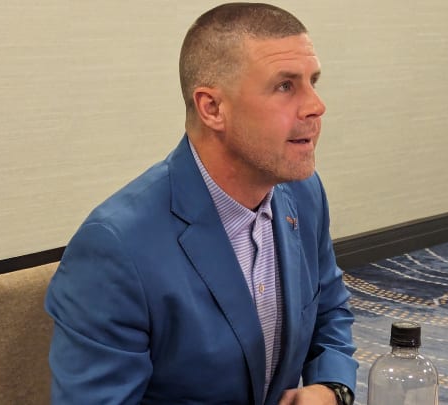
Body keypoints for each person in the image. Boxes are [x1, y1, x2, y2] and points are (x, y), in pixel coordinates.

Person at [45, 3, 358, 404]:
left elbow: (330, 310)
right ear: (212, 108)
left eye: (313, 81)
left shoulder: (302, 193)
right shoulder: (116, 246)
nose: (316, 105)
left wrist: (331, 388)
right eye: (285, 86)